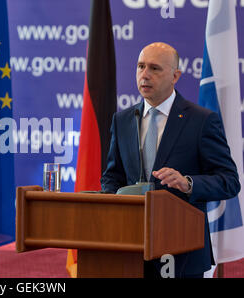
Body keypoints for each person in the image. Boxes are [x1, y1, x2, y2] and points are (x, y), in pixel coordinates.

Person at [101, 42, 240, 278]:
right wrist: (113, 207)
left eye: (154, 68)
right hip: (130, 247)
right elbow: (113, 176)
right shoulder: (122, 120)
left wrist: (189, 184)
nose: (144, 75)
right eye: (140, 66)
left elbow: (229, 181)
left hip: (182, 250)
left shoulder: (201, 120)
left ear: (175, 76)